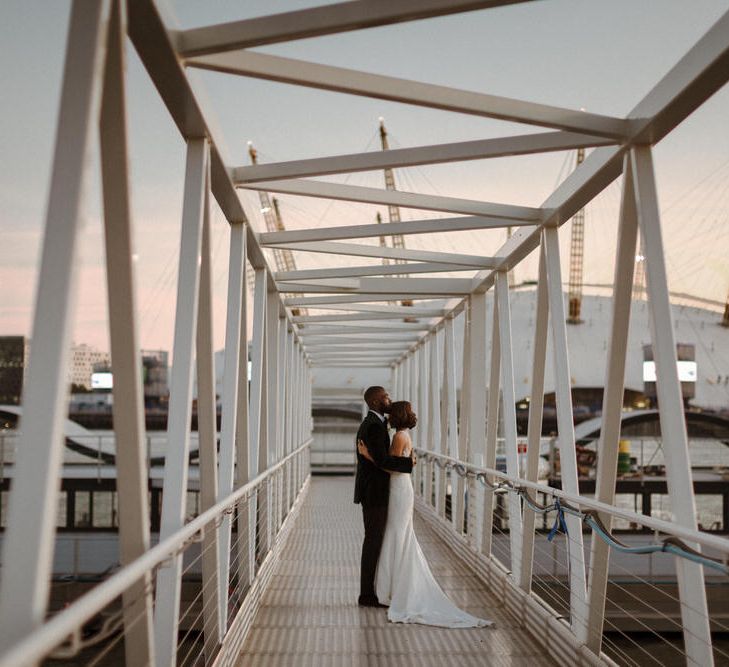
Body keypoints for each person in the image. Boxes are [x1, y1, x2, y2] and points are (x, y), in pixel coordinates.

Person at [358, 401, 493, 628]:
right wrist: (407, 461)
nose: (387, 416)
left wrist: (367, 454)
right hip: (401, 487)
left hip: (398, 488)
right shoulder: (404, 435)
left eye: (391, 414)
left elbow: (388, 465)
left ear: (395, 417)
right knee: (398, 534)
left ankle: (393, 588)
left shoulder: (399, 437)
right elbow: (400, 462)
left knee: (396, 534)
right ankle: (394, 586)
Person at [354, 386, 414, 607]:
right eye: (387, 396)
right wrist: (409, 463)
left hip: (377, 490)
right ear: (378, 402)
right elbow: (383, 461)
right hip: (375, 492)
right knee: (373, 541)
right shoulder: (374, 427)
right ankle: (367, 595)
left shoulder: (376, 424)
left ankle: (374, 591)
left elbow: (381, 459)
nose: (390, 399)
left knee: (376, 539)